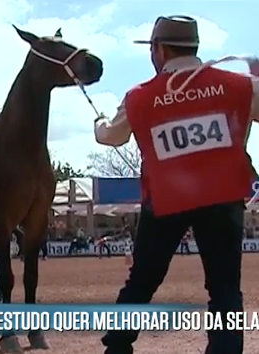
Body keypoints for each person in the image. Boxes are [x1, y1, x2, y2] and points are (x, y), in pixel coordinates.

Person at [93, 15, 259, 354]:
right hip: (223, 196)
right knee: (225, 289)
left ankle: (118, 347)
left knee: (142, 281)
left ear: (159, 50)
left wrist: (99, 122)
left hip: (166, 199)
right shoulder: (241, 86)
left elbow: (110, 136)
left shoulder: (139, 96)